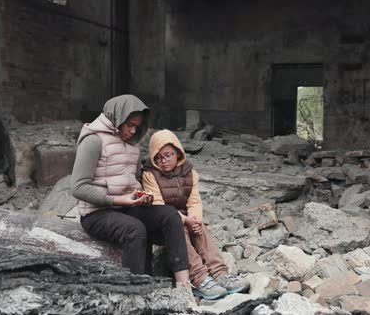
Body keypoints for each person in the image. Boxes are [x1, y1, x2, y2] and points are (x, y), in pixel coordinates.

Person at [70, 95, 193, 299]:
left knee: (170, 215)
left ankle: (184, 287)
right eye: (130, 125)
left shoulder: (133, 144)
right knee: (135, 230)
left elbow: (132, 180)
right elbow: (78, 187)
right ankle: (135, 295)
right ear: (116, 117)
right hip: (96, 213)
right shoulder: (93, 139)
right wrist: (118, 200)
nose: (133, 131)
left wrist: (140, 195)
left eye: (138, 126)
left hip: (126, 207)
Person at [142, 129, 250, 300]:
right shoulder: (150, 174)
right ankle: (200, 279)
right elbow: (158, 206)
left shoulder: (189, 172)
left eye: (168, 155)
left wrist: (195, 220)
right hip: (163, 223)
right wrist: (185, 221)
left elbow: (194, 200)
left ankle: (220, 274)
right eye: (158, 157)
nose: (163, 161)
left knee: (201, 229)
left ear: (178, 152)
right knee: (180, 230)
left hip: (185, 218)